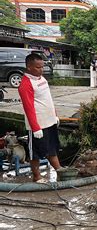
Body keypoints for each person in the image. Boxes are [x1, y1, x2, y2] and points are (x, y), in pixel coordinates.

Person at [18, 53, 62, 183]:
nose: (41, 70)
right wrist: (35, 127)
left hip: (50, 121)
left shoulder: (42, 79)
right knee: (35, 152)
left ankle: (59, 170)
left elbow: (48, 99)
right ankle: (37, 177)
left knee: (51, 148)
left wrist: (54, 116)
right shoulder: (25, 85)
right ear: (29, 67)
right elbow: (28, 107)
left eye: (42, 67)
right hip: (37, 125)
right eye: (38, 67)